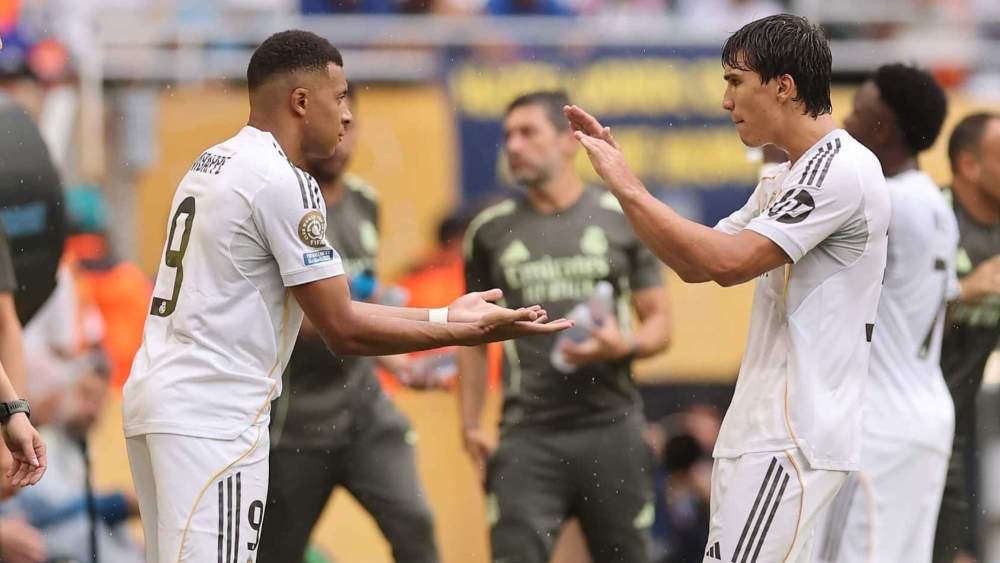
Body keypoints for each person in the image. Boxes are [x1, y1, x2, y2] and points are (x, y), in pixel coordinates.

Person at [122, 30, 570, 563]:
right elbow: (342, 326)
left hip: (160, 399)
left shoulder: (212, 162)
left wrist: (444, 312)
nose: (349, 115)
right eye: (339, 97)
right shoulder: (283, 181)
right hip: (213, 417)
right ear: (301, 101)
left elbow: (333, 305)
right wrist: (463, 327)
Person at [566, 14, 890, 562]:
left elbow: (727, 262)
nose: (725, 100)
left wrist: (626, 183)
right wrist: (625, 190)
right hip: (765, 435)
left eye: (735, 80)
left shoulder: (839, 168)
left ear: (783, 86)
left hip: (792, 439)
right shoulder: (785, 176)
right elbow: (694, 262)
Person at [459, 90, 673, 563]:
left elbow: (659, 323)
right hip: (527, 433)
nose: (513, 145)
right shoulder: (489, 231)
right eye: (507, 135)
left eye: (527, 132)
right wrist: (470, 423)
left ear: (567, 143)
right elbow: (470, 338)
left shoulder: (620, 217)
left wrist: (624, 345)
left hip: (612, 427)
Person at [259, 90, 439, 563]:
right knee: (276, 553)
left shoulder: (365, 203)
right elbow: (319, 317)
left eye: (351, 124)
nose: (342, 136)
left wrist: (401, 367)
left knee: (415, 526)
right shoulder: (283, 203)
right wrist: (439, 322)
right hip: (296, 423)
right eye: (334, 122)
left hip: (365, 414)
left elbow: (362, 303)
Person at [812, 64, 953, 563]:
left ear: (884, 127)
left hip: (878, 427)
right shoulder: (933, 202)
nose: (843, 120)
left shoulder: (883, 203)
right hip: (924, 415)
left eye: (856, 111)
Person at [933, 112, 1000, 563]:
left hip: (959, 429)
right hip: (891, 420)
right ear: (970, 165)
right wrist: (958, 292)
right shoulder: (928, 217)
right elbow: (875, 311)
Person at [2, 350, 144, 563]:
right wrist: (119, 502)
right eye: (86, 395)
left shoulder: (76, 451)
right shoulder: (39, 441)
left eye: (100, 402)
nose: (92, 411)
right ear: (59, 392)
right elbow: (44, 506)